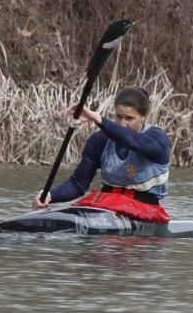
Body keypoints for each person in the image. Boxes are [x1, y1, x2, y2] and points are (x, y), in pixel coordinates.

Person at [32, 87, 171, 223]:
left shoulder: (158, 139)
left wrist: (97, 119)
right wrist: (50, 195)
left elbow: (131, 140)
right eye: (118, 116)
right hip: (107, 208)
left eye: (129, 118)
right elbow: (78, 184)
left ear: (143, 117)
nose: (122, 124)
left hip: (145, 210)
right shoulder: (100, 140)